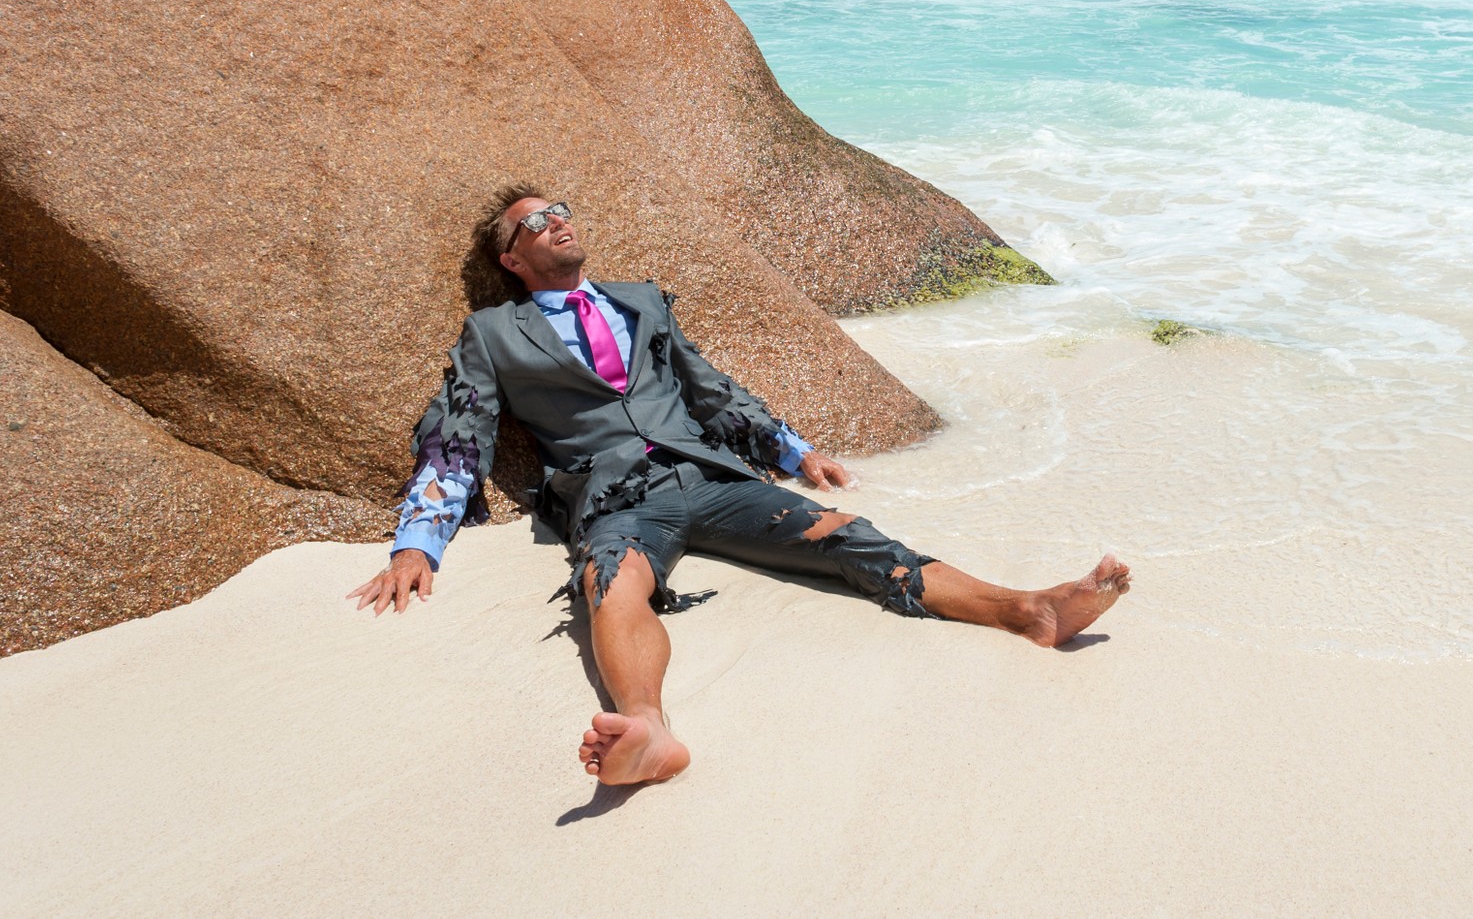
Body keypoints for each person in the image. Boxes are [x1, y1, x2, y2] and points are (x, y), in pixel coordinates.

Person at [347, 185, 1131, 786]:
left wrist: (791, 448)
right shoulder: (493, 333)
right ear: (513, 260)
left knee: (849, 533)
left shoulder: (641, 301)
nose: (556, 220)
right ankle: (648, 729)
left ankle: (1028, 610)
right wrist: (419, 542)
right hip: (618, 495)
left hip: (712, 475)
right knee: (608, 585)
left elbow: (709, 387)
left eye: (561, 207)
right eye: (533, 221)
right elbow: (462, 432)